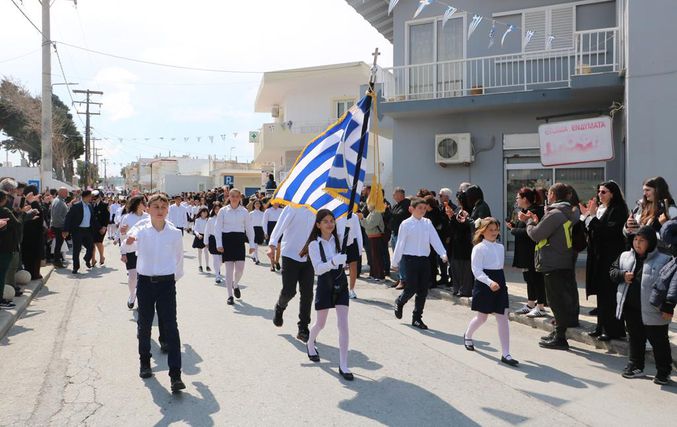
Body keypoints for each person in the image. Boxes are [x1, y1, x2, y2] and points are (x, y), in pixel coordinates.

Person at [126, 193, 185, 393]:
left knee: (171, 327)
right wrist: (128, 239)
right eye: (156, 207)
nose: (160, 210)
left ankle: (175, 374)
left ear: (168, 210)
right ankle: (145, 361)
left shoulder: (175, 233)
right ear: (148, 209)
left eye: (163, 207)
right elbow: (127, 244)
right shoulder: (141, 230)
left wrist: (172, 280)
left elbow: (179, 259)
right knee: (144, 325)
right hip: (145, 283)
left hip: (166, 284)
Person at [611, 226, 672, 385]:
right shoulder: (625, 256)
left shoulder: (664, 260)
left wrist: (668, 306)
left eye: (642, 240)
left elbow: (671, 285)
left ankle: (663, 371)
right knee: (635, 338)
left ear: (650, 242)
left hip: (654, 310)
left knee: (659, 341)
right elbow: (612, 271)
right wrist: (622, 275)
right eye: (635, 239)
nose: (637, 243)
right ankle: (636, 365)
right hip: (631, 307)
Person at [526, 183, 579, 350]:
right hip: (565, 260)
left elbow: (536, 235)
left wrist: (529, 222)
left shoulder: (555, 213)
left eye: (549, 193)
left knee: (555, 301)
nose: (547, 196)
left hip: (553, 262)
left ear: (553, 196)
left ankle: (560, 337)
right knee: (561, 299)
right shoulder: (572, 211)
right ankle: (558, 332)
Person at [302, 209, 353, 380]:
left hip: (341, 283)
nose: (330, 224)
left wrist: (351, 222)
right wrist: (333, 261)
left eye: (332, 220)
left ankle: (343, 364)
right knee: (320, 323)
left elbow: (353, 240)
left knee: (343, 324)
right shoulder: (314, 245)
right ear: (318, 225)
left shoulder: (339, 238)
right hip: (325, 284)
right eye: (325, 221)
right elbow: (318, 269)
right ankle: (310, 342)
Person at [463, 217, 518, 367]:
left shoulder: (500, 247)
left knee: (503, 318)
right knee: (482, 317)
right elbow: (476, 270)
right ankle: (468, 335)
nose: (494, 232)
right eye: (490, 230)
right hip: (484, 283)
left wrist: (498, 282)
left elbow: (499, 267)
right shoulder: (479, 248)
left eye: (496, 230)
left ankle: (506, 353)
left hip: (499, 282)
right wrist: (489, 282)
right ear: (482, 231)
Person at [579, 181, 628, 341]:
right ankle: (601, 326)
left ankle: (613, 329)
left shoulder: (618, 209)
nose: (600, 195)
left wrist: (592, 217)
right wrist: (587, 217)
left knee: (610, 293)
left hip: (611, 256)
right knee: (601, 292)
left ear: (613, 194)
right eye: (599, 191)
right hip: (598, 255)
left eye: (604, 192)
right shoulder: (601, 209)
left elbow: (609, 232)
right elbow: (593, 230)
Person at [393, 197, 448, 330]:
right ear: (411, 209)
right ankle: (400, 301)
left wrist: (442, 253)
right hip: (410, 259)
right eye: (419, 208)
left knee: (423, 290)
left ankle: (417, 318)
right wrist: (395, 261)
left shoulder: (427, 223)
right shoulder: (406, 224)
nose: (422, 210)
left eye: (424, 208)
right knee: (411, 287)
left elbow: (434, 239)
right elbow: (400, 243)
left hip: (424, 260)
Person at [268, 205, 316, 342]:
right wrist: (272, 245)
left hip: (309, 257)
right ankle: (280, 307)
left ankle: (303, 327)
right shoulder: (292, 207)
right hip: (290, 254)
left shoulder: (318, 209)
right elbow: (280, 226)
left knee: (307, 293)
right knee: (289, 291)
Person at [509, 188, 546, 317]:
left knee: (536, 278)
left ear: (525, 199)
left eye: (518, 198)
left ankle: (540, 306)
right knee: (529, 278)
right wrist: (514, 226)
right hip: (525, 252)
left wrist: (513, 230)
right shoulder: (524, 211)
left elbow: (530, 231)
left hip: (532, 251)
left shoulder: (534, 211)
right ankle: (530, 304)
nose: (516, 200)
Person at [215, 188, 256, 305]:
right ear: (229, 197)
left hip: (239, 240)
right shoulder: (223, 211)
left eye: (236, 196)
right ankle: (230, 295)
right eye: (232, 196)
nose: (234, 198)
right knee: (229, 270)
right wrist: (219, 243)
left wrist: (252, 244)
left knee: (240, 269)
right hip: (227, 240)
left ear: (240, 198)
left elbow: (249, 228)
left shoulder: (244, 211)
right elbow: (217, 228)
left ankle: (235, 284)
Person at [119, 196, 149, 309]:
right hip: (131, 250)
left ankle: (141, 300)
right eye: (143, 202)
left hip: (145, 251)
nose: (145, 203)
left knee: (143, 278)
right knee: (132, 276)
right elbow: (122, 236)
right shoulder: (127, 217)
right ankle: (132, 295)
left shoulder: (148, 217)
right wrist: (123, 252)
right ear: (137, 204)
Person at [64, 189, 97, 275]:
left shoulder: (90, 206)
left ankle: (87, 259)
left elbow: (93, 219)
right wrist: (66, 230)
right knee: (77, 249)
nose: (91, 198)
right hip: (77, 230)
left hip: (87, 230)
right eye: (90, 196)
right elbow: (68, 218)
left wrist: (100, 228)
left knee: (91, 247)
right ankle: (75, 267)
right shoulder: (76, 206)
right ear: (85, 197)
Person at [0, 190, 20, 308]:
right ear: (3, 200)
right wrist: (20, 213)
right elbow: (17, 224)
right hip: (5, 247)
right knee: (2, 273)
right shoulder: (5, 211)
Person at [336, 212, 363, 299]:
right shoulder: (336, 214)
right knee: (339, 267)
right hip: (339, 243)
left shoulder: (354, 216)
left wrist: (360, 249)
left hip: (352, 242)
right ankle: (339, 287)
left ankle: (351, 289)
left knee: (353, 265)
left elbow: (358, 232)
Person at [389, 188, 411, 289]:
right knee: (396, 257)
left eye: (395, 194)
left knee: (401, 258)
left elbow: (399, 215)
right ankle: (399, 278)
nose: (393, 196)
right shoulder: (396, 205)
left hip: (401, 235)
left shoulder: (406, 204)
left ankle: (403, 279)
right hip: (394, 233)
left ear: (400, 194)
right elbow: (391, 216)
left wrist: (388, 212)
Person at [360, 203, 385, 281]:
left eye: (368, 203)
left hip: (376, 237)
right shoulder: (372, 212)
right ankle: (373, 274)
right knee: (373, 257)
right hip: (372, 237)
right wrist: (362, 219)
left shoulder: (376, 212)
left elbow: (368, 225)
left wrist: (362, 218)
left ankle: (380, 276)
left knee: (377, 257)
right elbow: (366, 224)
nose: (367, 206)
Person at [203, 202, 224, 283]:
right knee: (215, 258)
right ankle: (217, 276)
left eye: (219, 209)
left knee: (221, 260)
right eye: (216, 209)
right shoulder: (211, 219)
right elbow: (207, 231)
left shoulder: (224, 218)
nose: (217, 210)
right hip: (213, 240)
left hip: (222, 240)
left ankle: (217, 269)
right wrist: (206, 242)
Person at [50, 187, 69, 268]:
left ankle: (57, 261)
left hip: (58, 226)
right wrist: (64, 228)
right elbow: (57, 216)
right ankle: (57, 262)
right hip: (59, 227)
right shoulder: (59, 202)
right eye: (66, 192)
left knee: (58, 245)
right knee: (58, 245)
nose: (67, 194)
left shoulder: (59, 200)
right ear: (61, 192)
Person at [263, 201, 283, 271]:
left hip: (279, 229)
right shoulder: (268, 211)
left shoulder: (282, 210)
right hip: (270, 229)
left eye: (278, 202)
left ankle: (277, 261)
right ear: (272, 203)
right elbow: (264, 222)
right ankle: (272, 264)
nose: (276, 204)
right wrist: (265, 232)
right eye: (275, 202)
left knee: (279, 248)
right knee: (272, 249)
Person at [91, 190, 109, 266]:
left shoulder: (104, 205)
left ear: (99, 197)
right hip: (92, 227)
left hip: (101, 227)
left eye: (95, 198)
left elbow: (107, 217)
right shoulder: (90, 205)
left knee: (98, 242)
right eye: (92, 198)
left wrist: (104, 227)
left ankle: (101, 256)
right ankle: (93, 259)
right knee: (92, 244)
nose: (93, 200)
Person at [192, 207, 210, 272]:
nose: (205, 213)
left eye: (206, 212)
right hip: (199, 236)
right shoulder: (197, 220)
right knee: (199, 251)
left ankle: (207, 266)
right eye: (203, 212)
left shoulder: (208, 220)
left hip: (206, 236)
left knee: (206, 251)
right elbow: (195, 229)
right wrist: (198, 235)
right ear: (201, 213)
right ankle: (200, 265)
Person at [248, 199, 265, 265]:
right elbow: (248, 223)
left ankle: (253, 256)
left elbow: (264, 223)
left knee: (257, 244)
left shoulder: (263, 213)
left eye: (258, 203)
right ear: (254, 205)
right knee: (255, 244)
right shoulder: (251, 213)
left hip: (260, 229)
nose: (257, 205)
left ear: (260, 205)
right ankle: (257, 259)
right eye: (256, 204)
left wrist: (265, 232)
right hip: (253, 229)